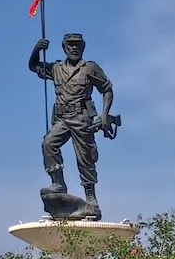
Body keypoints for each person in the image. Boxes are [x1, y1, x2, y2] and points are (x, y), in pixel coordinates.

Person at [28, 33, 114, 212]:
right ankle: (58, 183)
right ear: (64, 47)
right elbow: (33, 66)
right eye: (70, 45)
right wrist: (37, 50)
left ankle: (91, 199)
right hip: (62, 118)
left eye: (77, 45)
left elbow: (107, 90)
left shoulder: (89, 68)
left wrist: (105, 115)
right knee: (48, 144)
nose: (74, 48)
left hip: (81, 118)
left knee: (85, 158)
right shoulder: (57, 68)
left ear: (82, 47)